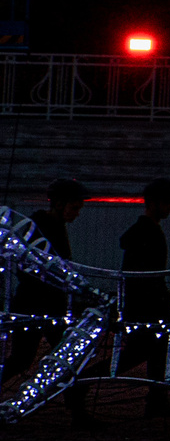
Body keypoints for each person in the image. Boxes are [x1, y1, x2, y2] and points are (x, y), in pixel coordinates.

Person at [5, 178, 92, 422]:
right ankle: (76, 407)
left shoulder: (46, 226)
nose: (76, 213)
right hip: (38, 303)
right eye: (74, 207)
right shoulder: (42, 228)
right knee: (39, 357)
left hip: (45, 303)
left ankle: (76, 407)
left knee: (56, 356)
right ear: (60, 204)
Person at [118, 177, 170, 416]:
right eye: (167, 203)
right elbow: (148, 275)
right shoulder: (148, 233)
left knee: (154, 352)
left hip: (146, 304)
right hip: (147, 306)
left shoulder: (145, 231)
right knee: (140, 354)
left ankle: (157, 399)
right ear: (154, 203)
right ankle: (84, 384)